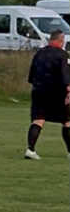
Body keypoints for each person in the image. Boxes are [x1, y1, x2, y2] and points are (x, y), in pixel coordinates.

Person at [24, 28, 70, 157]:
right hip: (57, 93)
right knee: (67, 121)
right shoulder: (63, 55)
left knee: (38, 120)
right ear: (60, 41)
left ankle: (30, 150)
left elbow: (31, 76)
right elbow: (65, 75)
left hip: (38, 91)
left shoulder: (39, 53)